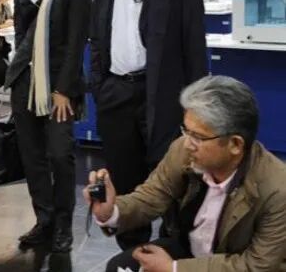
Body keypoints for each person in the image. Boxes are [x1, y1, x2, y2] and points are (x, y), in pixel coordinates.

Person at [90, 0, 208, 250]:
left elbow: (194, 46)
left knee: (174, 180)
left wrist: (197, 106)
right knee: (125, 182)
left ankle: (175, 254)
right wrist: (100, 86)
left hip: (163, 95)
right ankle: (132, 256)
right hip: (116, 94)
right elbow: (98, 39)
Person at [84, 75, 286, 272]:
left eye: (198, 136)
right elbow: (153, 195)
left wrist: (174, 268)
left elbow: (257, 266)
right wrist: (110, 211)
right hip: (188, 251)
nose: (188, 144)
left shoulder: (277, 191)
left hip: (226, 264)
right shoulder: (183, 150)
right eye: (186, 130)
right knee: (119, 267)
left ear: (235, 144)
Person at [4, 0, 91, 254]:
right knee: (32, 156)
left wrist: (64, 89)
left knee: (59, 154)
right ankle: (44, 220)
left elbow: (76, 42)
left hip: (58, 85)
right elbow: (21, 32)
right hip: (25, 82)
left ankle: (64, 225)